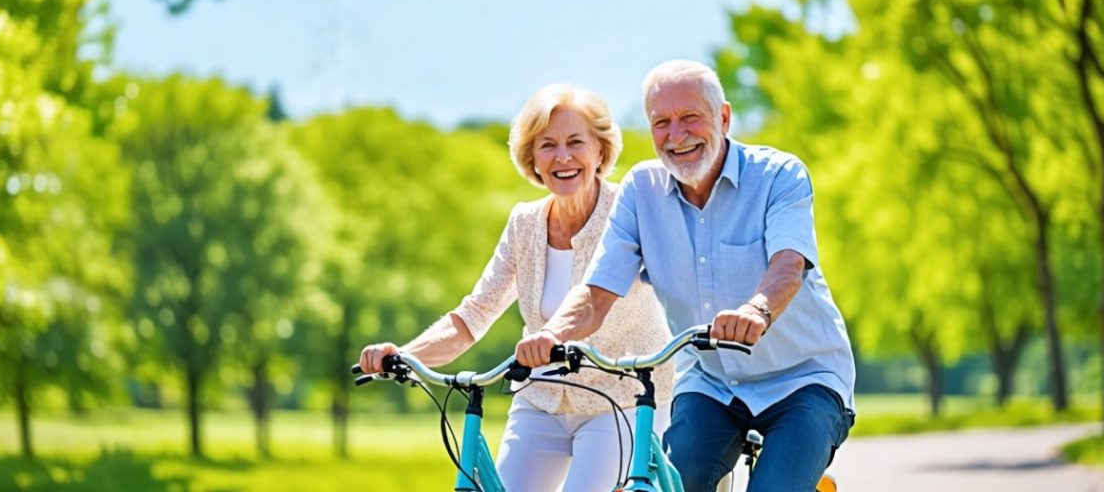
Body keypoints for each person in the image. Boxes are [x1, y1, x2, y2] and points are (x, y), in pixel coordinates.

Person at [516, 60, 855, 492]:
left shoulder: (779, 176)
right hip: (711, 383)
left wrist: (756, 310)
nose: (677, 136)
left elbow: (788, 265)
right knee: (676, 483)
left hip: (803, 379)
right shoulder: (642, 191)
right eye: (662, 122)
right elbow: (597, 292)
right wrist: (554, 334)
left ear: (724, 118)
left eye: (691, 117)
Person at [357, 84, 673, 492]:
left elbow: (601, 299)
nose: (562, 157)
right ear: (532, 159)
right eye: (547, 145)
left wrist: (549, 336)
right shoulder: (525, 223)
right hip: (543, 396)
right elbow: (473, 316)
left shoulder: (626, 212)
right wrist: (401, 355)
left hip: (622, 399)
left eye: (575, 142)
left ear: (600, 151)